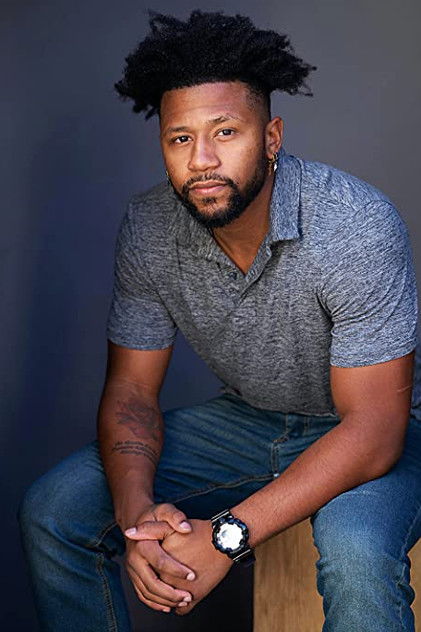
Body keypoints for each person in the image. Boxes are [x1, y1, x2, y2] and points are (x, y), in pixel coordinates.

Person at [19, 8, 421, 632]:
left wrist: (226, 537)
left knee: (356, 550)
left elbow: (373, 429)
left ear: (272, 137)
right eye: (180, 139)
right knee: (54, 509)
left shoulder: (353, 225)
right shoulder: (150, 227)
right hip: (250, 420)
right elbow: (131, 391)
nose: (202, 159)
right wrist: (138, 516)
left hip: (386, 425)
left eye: (226, 132)